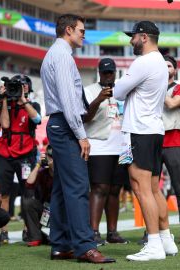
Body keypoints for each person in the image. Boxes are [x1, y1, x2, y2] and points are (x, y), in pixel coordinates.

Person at [40, 14, 115, 263]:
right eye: (82, 30)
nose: (84, 34)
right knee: (79, 187)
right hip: (66, 124)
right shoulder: (62, 56)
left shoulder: (57, 54)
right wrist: (82, 135)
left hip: (61, 124)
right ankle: (85, 246)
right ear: (69, 30)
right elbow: (69, 102)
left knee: (62, 190)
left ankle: (61, 245)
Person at [114, 20, 178, 261]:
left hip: (139, 130)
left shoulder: (143, 62)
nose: (131, 41)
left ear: (143, 37)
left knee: (141, 188)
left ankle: (153, 245)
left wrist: (126, 87)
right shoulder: (161, 63)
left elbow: (118, 91)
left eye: (133, 36)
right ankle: (165, 239)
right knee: (153, 188)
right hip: (153, 129)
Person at [84, 58, 129, 246]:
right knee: (99, 188)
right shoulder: (89, 91)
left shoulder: (123, 91)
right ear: (99, 73)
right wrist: (99, 98)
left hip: (122, 146)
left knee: (115, 190)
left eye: (111, 72)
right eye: (105, 72)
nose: (108, 75)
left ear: (115, 73)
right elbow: (85, 117)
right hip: (99, 145)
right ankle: (93, 231)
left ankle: (112, 232)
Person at [0, 74, 41, 243]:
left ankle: (27, 230)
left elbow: (36, 119)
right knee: (3, 194)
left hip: (25, 154)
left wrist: (23, 100)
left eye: (22, 87)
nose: (19, 89)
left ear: (27, 89)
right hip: (5, 153)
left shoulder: (33, 104)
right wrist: (5, 100)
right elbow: (5, 125)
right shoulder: (6, 105)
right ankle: (3, 232)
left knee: (27, 193)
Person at [161, 55, 180, 245]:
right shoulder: (150, 87)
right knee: (151, 190)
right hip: (153, 141)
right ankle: (152, 230)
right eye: (162, 66)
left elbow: (172, 104)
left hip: (173, 140)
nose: (165, 68)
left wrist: (154, 86)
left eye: (169, 65)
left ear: (176, 70)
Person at [22, 145, 53, 247]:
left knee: (55, 240)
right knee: (28, 202)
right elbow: (29, 183)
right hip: (46, 209)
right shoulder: (43, 173)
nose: (50, 159)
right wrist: (38, 164)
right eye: (49, 156)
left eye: (53, 156)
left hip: (61, 210)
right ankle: (36, 237)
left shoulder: (64, 172)